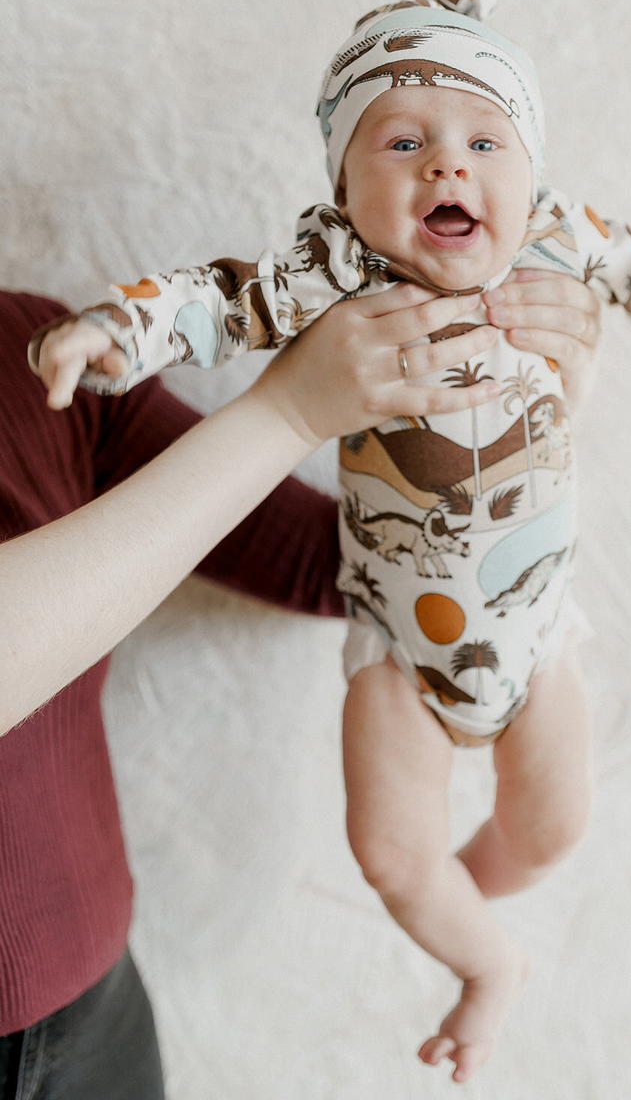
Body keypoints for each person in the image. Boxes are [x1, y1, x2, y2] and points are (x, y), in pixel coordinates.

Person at [28, 0, 631, 1083]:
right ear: (343, 184)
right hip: (396, 645)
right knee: (387, 851)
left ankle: (466, 905)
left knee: (555, 827)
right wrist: (115, 333)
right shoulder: (334, 270)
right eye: (403, 142)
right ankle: (487, 965)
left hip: (537, 629)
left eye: (484, 141)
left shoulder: (557, 236)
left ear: (531, 168)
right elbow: (215, 298)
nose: (448, 164)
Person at [1, 273, 599, 1098]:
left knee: (551, 823)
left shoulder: (42, 351)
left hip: (96, 1001)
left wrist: (524, 411)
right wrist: (287, 412)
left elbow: (340, 563)